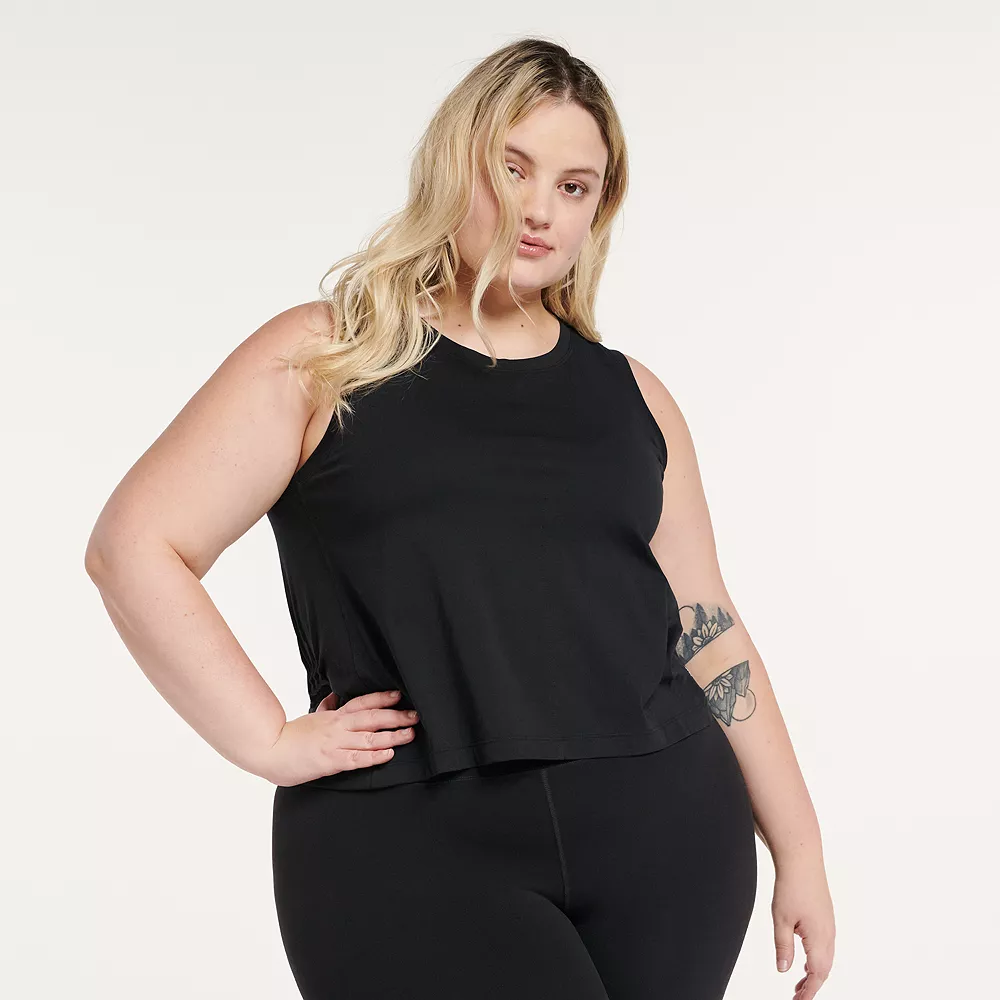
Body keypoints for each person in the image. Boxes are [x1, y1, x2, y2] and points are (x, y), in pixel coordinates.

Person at [85, 36, 835, 1000]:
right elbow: (134, 545)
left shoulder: (634, 398)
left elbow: (708, 625)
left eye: (574, 186)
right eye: (512, 169)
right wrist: (265, 738)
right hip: (408, 843)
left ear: (597, 211)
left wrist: (800, 846)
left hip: (667, 831)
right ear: (454, 165)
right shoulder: (328, 359)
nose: (540, 209)